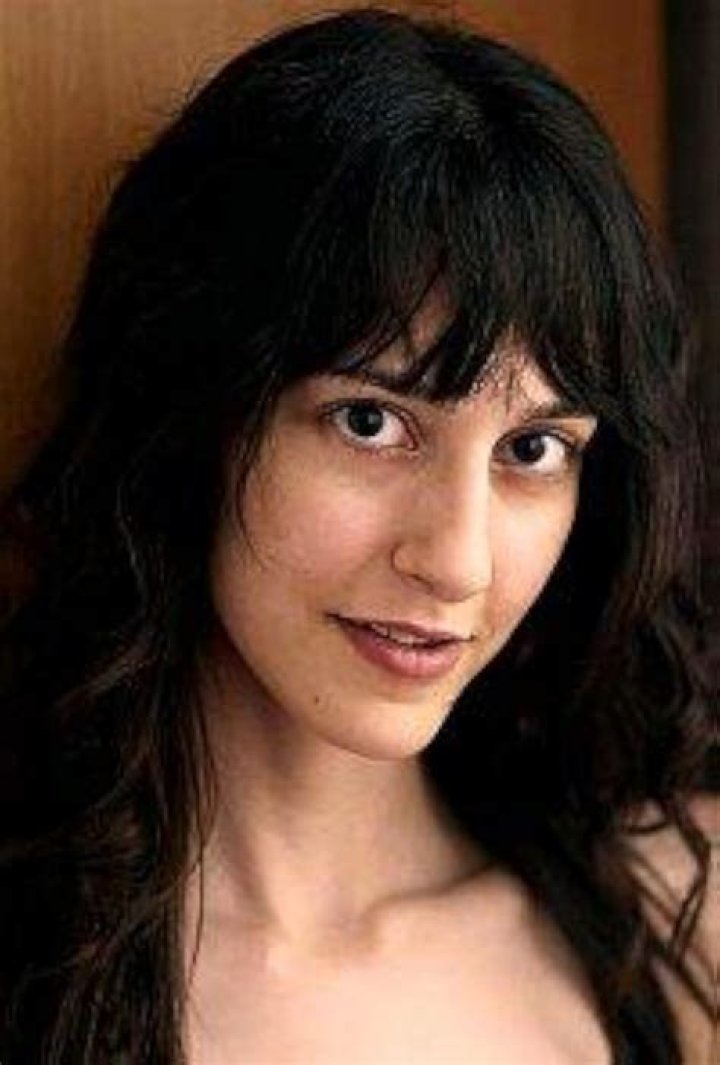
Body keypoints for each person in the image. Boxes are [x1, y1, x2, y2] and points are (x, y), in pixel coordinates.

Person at [0, 7, 715, 1063]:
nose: (458, 560)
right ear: (190, 413)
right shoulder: (34, 964)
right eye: (371, 422)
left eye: (533, 449)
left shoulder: (677, 919)